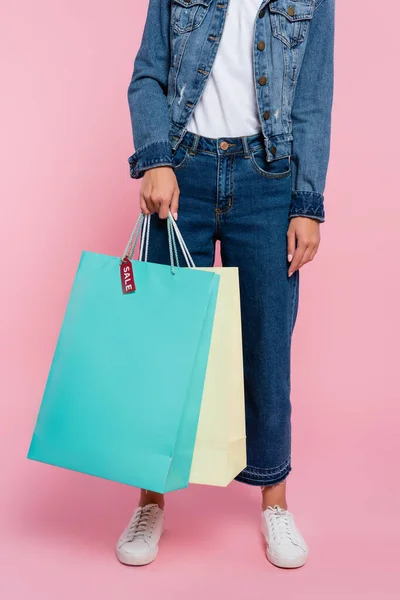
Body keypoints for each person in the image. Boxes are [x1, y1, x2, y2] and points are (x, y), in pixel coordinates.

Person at [116, 0, 335, 569]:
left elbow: (312, 99)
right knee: (165, 346)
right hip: (182, 170)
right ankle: (150, 500)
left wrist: (307, 203)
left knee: (266, 345)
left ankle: (274, 502)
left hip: (268, 178)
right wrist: (156, 160)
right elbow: (147, 74)